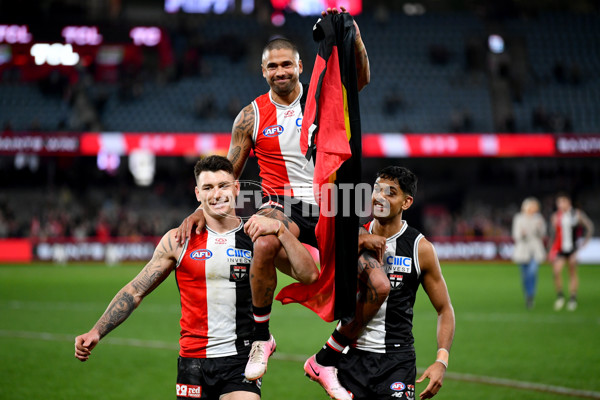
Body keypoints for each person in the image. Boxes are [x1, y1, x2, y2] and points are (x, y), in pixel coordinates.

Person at [175, 6, 372, 383]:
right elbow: (228, 170)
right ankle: (261, 337)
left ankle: (326, 358)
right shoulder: (251, 116)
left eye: (287, 64)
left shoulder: (322, 95)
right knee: (264, 240)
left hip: (333, 203)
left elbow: (361, 78)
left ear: (300, 65)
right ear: (263, 71)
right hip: (282, 204)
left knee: (377, 285)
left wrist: (355, 36)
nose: (280, 72)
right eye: (272, 67)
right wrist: (202, 207)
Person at [74, 155, 318, 400]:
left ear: (236, 188)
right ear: (197, 194)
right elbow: (135, 291)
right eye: (208, 188)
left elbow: (307, 274)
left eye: (223, 185)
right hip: (192, 361)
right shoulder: (178, 240)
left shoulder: (256, 236)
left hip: (240, 359)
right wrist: (96, 331)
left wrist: (282, 231)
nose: (217, 194)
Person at [305, 166, 455, 400]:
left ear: (406, 203)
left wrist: (441, 361)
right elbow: (325, 266)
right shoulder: (353, 236)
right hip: (352, 357)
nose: (379, 197)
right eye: (377, 189)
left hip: (398, 360)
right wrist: (359, 243)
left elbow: (444, 309)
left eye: (390, 192)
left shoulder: (420, 248)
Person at [548, 193, 594, 311]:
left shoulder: (576, 214)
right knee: (556, 272)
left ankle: (573, 298)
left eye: (561, 202)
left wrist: (585, 242)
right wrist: (550, 249)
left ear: (567, 202)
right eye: (558, 202)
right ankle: (560, 296)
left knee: (572, 273)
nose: (559, 205)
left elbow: (589, 226)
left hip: (572, 249)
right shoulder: (555, 216)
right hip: (560, 249)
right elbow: (552, 235)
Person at [511, 197, 546, 309]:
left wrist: (539, 228)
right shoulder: (519, 218)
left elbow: (542, 234)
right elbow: (516, 235)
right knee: (525, 276)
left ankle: (531, 295)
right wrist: (522, 234)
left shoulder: (539, 218)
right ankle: (528, 295)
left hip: (535, 250)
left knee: (532, 272)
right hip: (522, 251)